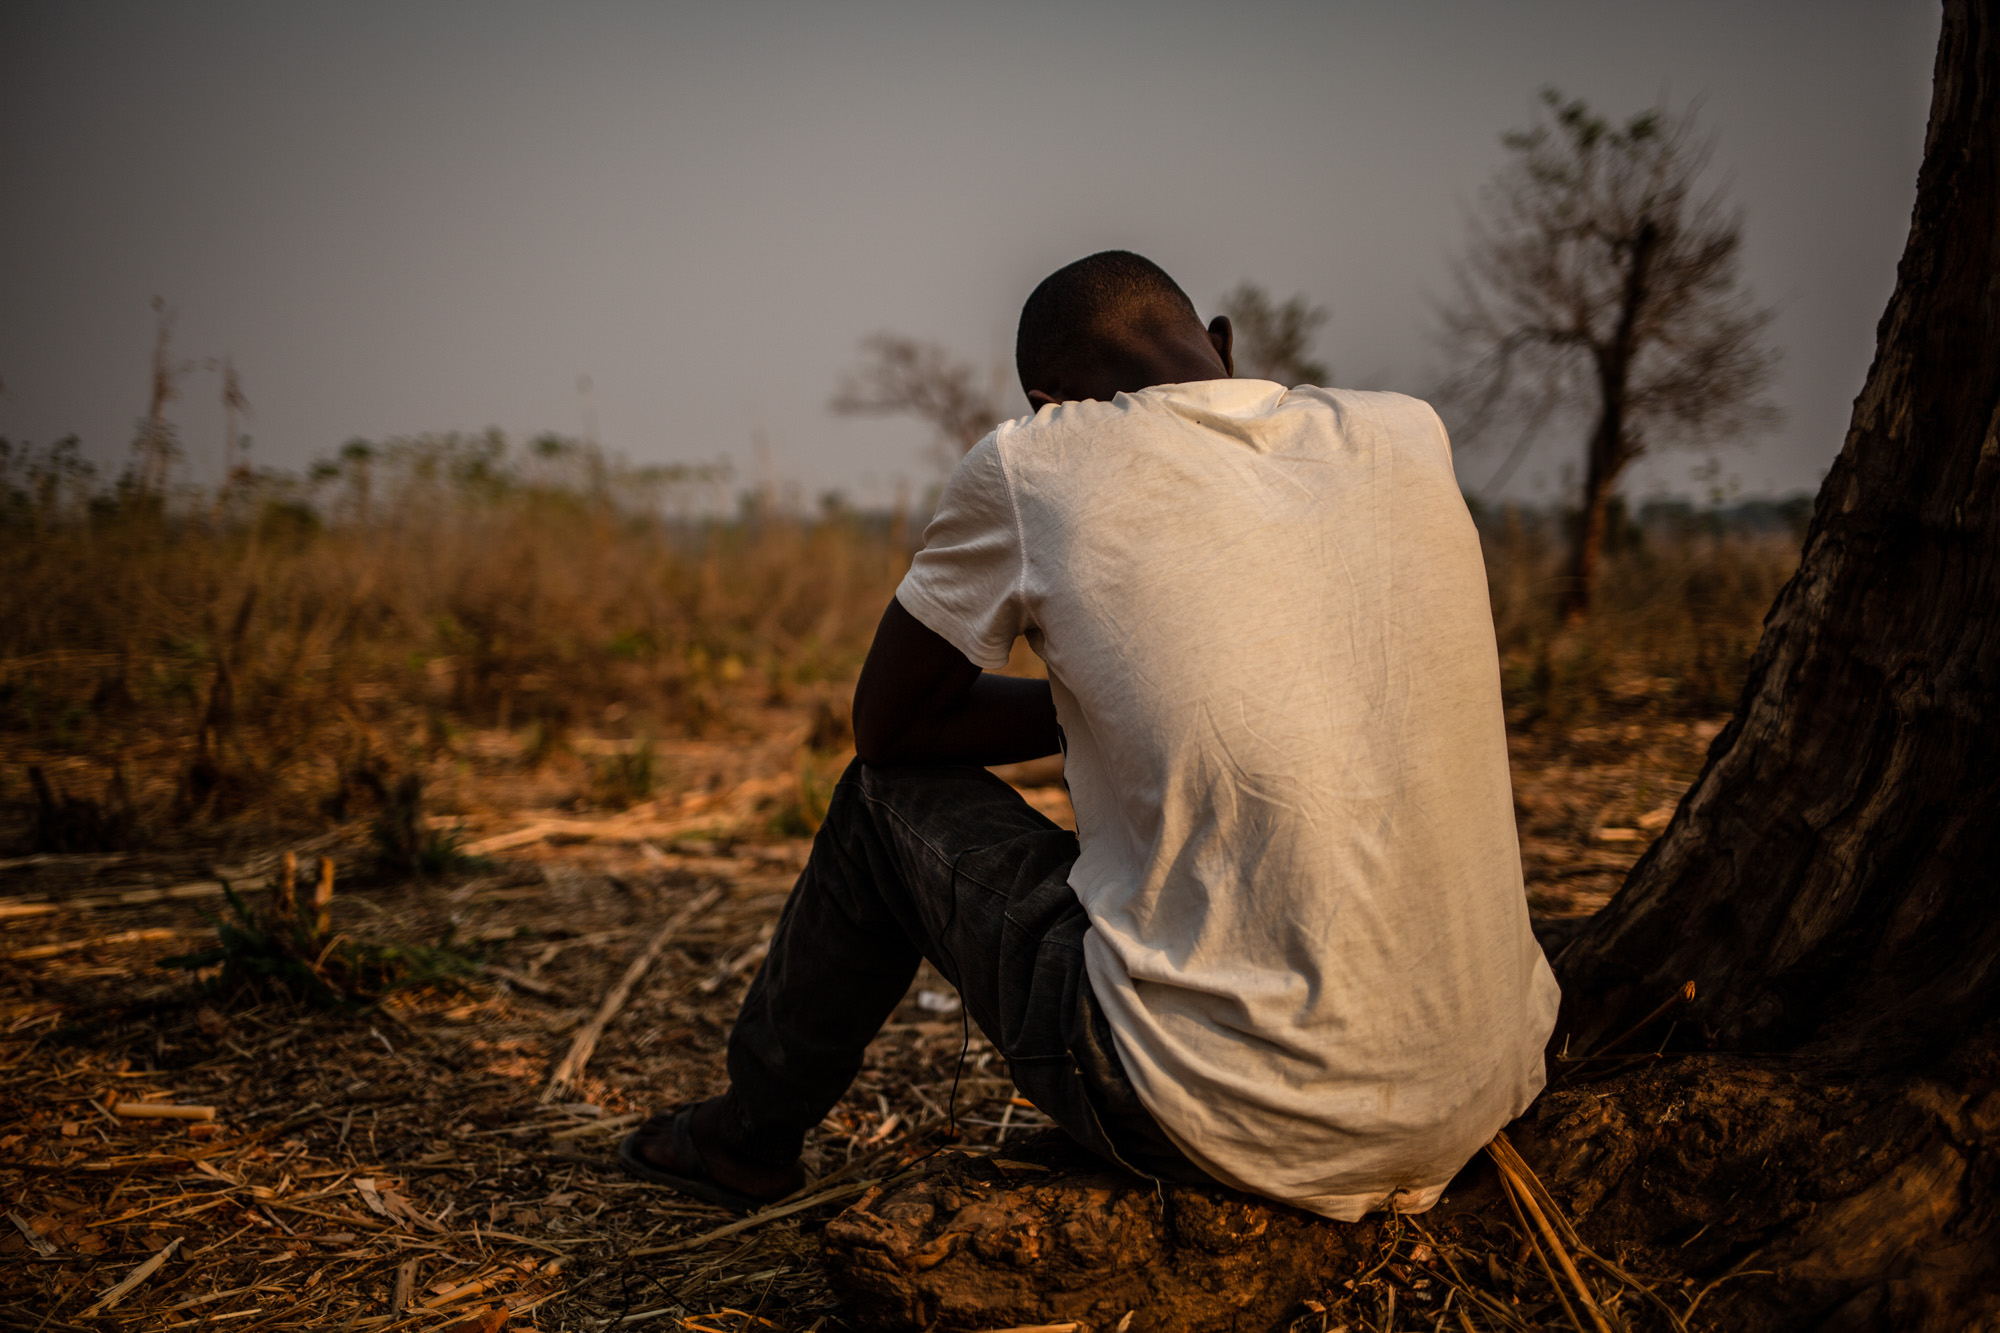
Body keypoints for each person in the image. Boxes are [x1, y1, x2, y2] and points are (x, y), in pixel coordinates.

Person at [620, 250, 1559, 1220]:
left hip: (1213, 1107)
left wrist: (1083, 701)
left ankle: (745, 1141)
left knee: (876, 800)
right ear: (1223, 346)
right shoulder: (1405, 431)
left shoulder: (1038, 460)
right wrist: (1107, 704)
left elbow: (889, 726)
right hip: (1490, 1080)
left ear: (1049, 402)